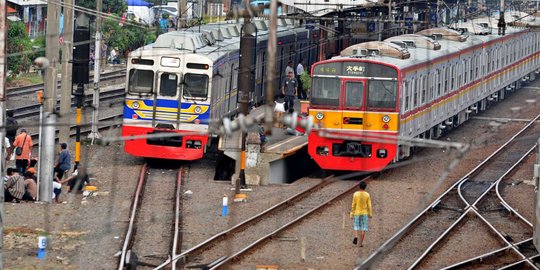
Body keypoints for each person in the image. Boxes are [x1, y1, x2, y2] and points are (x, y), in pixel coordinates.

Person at [350, 181, 372, 247]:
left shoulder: (355, 194)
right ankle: (360, 243)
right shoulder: (367, 195)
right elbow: (369, 205)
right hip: (364, 213)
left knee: (356, 226)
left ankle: (356, 236)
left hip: (357, 213)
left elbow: (353, 205)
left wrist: (352, 213)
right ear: (365, 187)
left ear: (359, 186)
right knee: (364, 228)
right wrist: (370, 214)